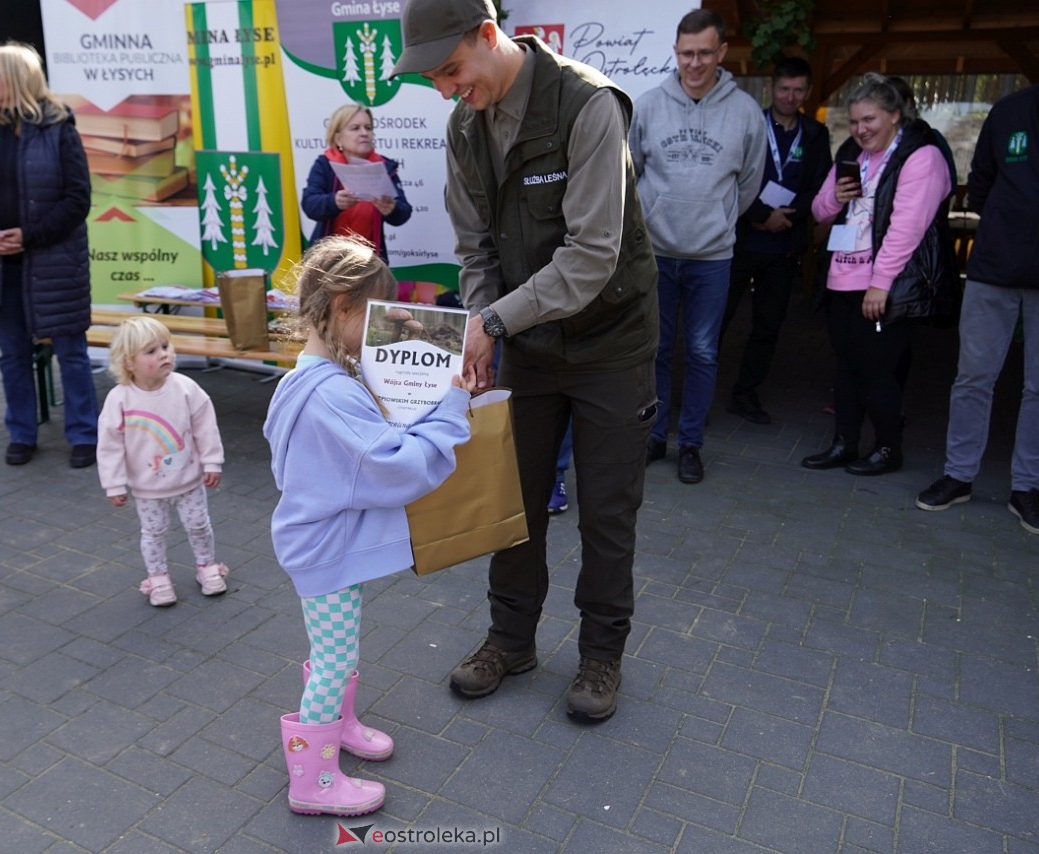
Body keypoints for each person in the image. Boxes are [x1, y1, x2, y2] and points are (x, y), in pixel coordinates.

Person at [391, 0, 660, 722]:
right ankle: (509, 642)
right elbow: (476, 248)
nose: (448, 90)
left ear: (488, 36)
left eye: (452, 70)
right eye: (436, 79)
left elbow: (593, 256)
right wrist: (486, 326)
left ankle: (601, 655)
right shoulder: (463, 126)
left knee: (606, 511)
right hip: (531, 349)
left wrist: (492, 321)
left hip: (612, 343)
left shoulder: (589, 105)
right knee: (513, 503)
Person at [263, 235, 470, 815]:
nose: (385, 327)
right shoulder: (332, 394)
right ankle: (313, 781)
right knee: (331, 659)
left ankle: (340, 723)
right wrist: (451, 413)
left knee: (336, 649)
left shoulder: (304, 378)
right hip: (326, 549)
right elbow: (394, 466)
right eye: (375, 312)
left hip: (320, 542)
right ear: (341, 308)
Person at [915, 18, 1039, 537]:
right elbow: (981, 186)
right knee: (974, 377)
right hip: (995, 271)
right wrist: (1004, 235)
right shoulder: (1012, 111)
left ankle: (1028, 488)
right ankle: (959, 475)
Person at [0, 42, 99, 469]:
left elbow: (77, 198)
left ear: (17, 76)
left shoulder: (58, 125)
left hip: (54, 267)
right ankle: (21, 433)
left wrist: (27, 236)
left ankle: (84, 433)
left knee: (71, 353)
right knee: (11, 354)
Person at [630, 8, 765, 483]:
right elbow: (633, 172)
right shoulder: (648, 105)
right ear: (675, 52)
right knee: (657, 350)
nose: (694, 62)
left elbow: (750, 181)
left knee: (704, 352)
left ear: (722, 52)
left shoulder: (745, 112)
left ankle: (690, 444)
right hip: (657, 253)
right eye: (686, 53)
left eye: (705, 52)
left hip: (712, 256)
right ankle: (654, 436)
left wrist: (718, 216)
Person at [801, 72, 957, 476]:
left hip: (884, 286)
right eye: (854, 121)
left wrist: (880, 282)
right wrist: (836, 198)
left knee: (876, 371)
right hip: (842, 278)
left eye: (869, 120)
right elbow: (818, 210)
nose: (860, 129)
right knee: (846, 367)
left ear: (893, 115)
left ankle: (889, 449)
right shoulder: (851, 153)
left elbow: (908, 227)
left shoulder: (921, 156)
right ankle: (844, 444)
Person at [720, 56, 831, 425]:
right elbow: (729, 176)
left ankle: (745, 393)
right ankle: (697, 392)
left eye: (799, 90)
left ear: (809, 92)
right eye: (784, 88)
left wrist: (789, 217)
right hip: (740, 240)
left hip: (783, 245)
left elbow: (819, 185)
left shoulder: (815, 134)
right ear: (771, 88)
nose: (790, 96)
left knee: (768, 326)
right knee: (717, 320)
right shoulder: (750, 124)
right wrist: (760, 216)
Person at [97, 316, 229, 606]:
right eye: (152, 351)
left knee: (198, 524)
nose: (164, 354)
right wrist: (114, 484)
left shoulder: (185, 388)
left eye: (166, 346)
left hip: (189, 480)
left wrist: (211, 462)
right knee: (154, 532)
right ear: (129, 363)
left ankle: (206, 566)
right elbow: (110, 446)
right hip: (148, 488)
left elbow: (205, 427)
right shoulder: (119, 399)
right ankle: (157, 577)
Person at [301, 103, 412, 264]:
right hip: (327, 263)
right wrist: (334, 202)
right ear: (338, 137)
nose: (364, 133)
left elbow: (404, 212)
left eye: (368, 127)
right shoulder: (325, 164)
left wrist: (391, 209)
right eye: (355, 128)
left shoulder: (384, 167)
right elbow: (309, 204)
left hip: (369, 263)